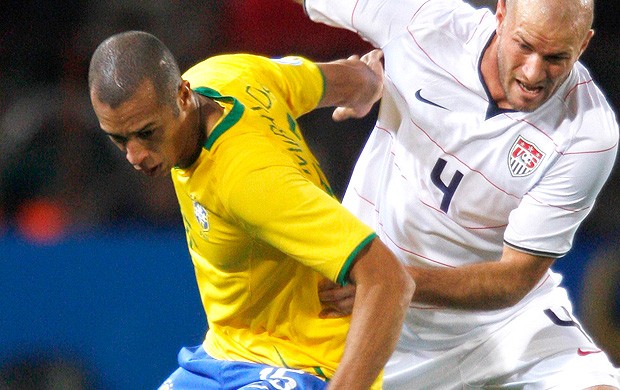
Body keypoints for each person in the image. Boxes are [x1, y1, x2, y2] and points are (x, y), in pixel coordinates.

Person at [292, 0, 620, 388]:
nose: (534, 73)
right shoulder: (423, 25)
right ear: (500, 15)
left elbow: (514, 278)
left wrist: (392, 282)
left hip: (501, 327)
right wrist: (354, 81)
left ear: (583, 45)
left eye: (556, 58)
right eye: (524, 45)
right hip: (372, 317)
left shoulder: (588, 133)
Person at [88, 31, 414, 389]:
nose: (134, 156)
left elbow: (389, 281)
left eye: (146, 133)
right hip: (224, 353)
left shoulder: (246, 179)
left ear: (182, 96)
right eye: (119, 139)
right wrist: (366, 84)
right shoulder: (223, 74)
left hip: (305, 362)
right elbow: (338, 79)